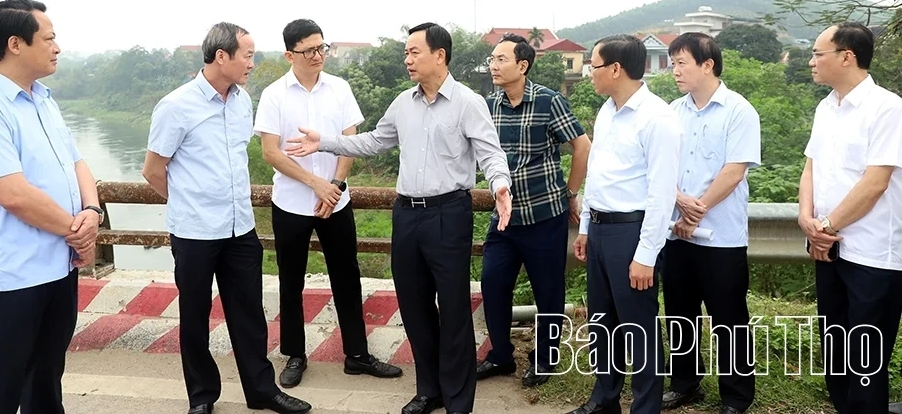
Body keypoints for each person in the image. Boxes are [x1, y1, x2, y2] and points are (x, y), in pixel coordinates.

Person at [285, 22, 513, 414]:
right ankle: (429, 391)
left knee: (455, 309)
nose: (407, 59)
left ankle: (458, 401)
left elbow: (490, 153)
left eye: (414, 52)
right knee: (414, 305)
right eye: (406, 52)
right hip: (407, 215)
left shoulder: (468, 102)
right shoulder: (403, 103)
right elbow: (374, 140)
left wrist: (500, 186)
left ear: (439, 56)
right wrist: (324, 141)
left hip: (448, 213)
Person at [142, 22, 310, 414]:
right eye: (248, 55)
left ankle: (262, 391)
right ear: (222, 56)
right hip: (195, 232)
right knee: (195, 318)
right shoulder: (175, 106)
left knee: (249, 314)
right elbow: (153, 170)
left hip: (240, 229)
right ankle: (202, 397)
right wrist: (187, 202)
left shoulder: (241, 101)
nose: (253, 62)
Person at [0, 0, 100, 414]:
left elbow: (76, 161)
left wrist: (92, 212)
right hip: (11, 276)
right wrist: (77, 231)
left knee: (46, 381)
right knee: (0, 389)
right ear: (16, 44)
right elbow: (12, 194)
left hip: (56, 267)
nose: (57, 46)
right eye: (48, 38)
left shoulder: (43, 100)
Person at [254, 18, 402, 387]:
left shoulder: (339, 88)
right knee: (291, 280)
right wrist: (315, 183)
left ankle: (357, 354)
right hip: (291, 202)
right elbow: (270, 153)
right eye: (310, 50)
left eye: (323, 47)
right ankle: (294, 354)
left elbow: (350, 141)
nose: (319, 55)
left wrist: (334, 185)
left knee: (347, 276)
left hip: (336, 200)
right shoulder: (274, 94)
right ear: (290, 54)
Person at [799, 22, 902, 414]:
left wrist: (825, 227)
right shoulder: (826, 106)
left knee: (865, 365)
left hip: (870, 256)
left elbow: (875, 182)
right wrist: (805, 218)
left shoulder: (888, 109)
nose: (811, 61)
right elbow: (811, 167)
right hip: (829, 248)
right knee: (836, 356)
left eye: (818, 53)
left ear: (847, 56)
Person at [566, 34, 682, 414]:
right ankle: (604, 399)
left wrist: (646, 255)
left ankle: (645, 407)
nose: (589, 73)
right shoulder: (608, 110)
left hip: (632, 232)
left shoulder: (658, 119)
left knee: (638, 327)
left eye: (593, 65)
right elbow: (597, 175)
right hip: (600, 229)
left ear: (616, 69)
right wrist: (585, 226)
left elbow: (662, 193)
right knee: (603, 322)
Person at [476, 33, 590, 388]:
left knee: (548, 291)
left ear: (522, 65)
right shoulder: (488, 105)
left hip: (544, 216)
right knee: (492, 283)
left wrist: (570, 192)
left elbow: (582, 146)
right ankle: (501, 356)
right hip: (505, 219)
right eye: (492, 59)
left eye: (501, 59)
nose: (493, 66)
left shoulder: (548, 101)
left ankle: (545, 359)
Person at [660, 32, 760, 414]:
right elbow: (660, 166)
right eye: (672, 63)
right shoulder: (672, 111)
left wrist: (696, 208)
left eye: (682, 63)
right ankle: (686, 384)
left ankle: (736, 397)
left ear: (708, 65)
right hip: (677, 233)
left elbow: (734, 170)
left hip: (721, 237)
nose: (675, 71)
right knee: (679, 313)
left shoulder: (738, 110)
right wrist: (678, 203)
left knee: (729, 319)